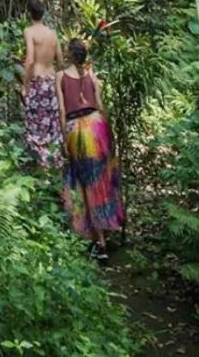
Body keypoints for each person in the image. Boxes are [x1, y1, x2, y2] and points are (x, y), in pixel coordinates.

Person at [57, 36, 124, 259]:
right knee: (101, 182)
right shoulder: (91, 75)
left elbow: (62, 111)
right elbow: (101, 105)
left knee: (86, 185)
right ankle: (99, 238)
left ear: (68, 54)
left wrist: (65, 139)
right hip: (97, 126)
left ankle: (100, 244)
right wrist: (109, 133)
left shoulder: (60, 77)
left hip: (78, 130)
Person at [21, 0, 63, 168]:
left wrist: (25, 85)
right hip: (51, 82)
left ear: (28, 13)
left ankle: (44, 171)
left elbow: (30, 59)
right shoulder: (52, 34)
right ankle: (56, 168)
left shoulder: (29, 31)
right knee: (52, 126)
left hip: (37, 83)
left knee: (37, 128)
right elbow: (60, 61)